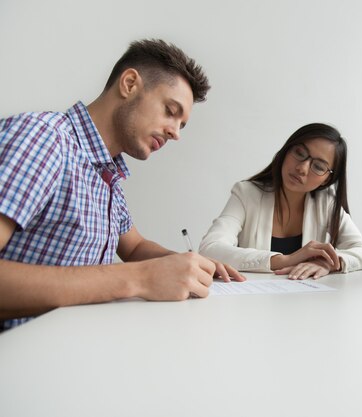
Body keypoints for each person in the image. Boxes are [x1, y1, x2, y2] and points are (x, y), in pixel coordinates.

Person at [0, 39, 244, 331]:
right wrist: (141, 278)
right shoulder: (44, 139)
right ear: (129, 84)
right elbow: (137, 267)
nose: (175, 133)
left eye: (181, 125)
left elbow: (135, 246)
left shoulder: (108, 174)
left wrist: (188, 264)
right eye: (170, 110)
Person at [199, 123, 362, 279]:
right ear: (286, 150)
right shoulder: (246, 194)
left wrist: (328, 262)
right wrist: (285, 260)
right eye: (300, 153)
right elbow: (210, 248)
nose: (302, 168)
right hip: (253, 303)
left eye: (319, 166)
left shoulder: (326, 204)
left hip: (306, 304)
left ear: (327, 180)